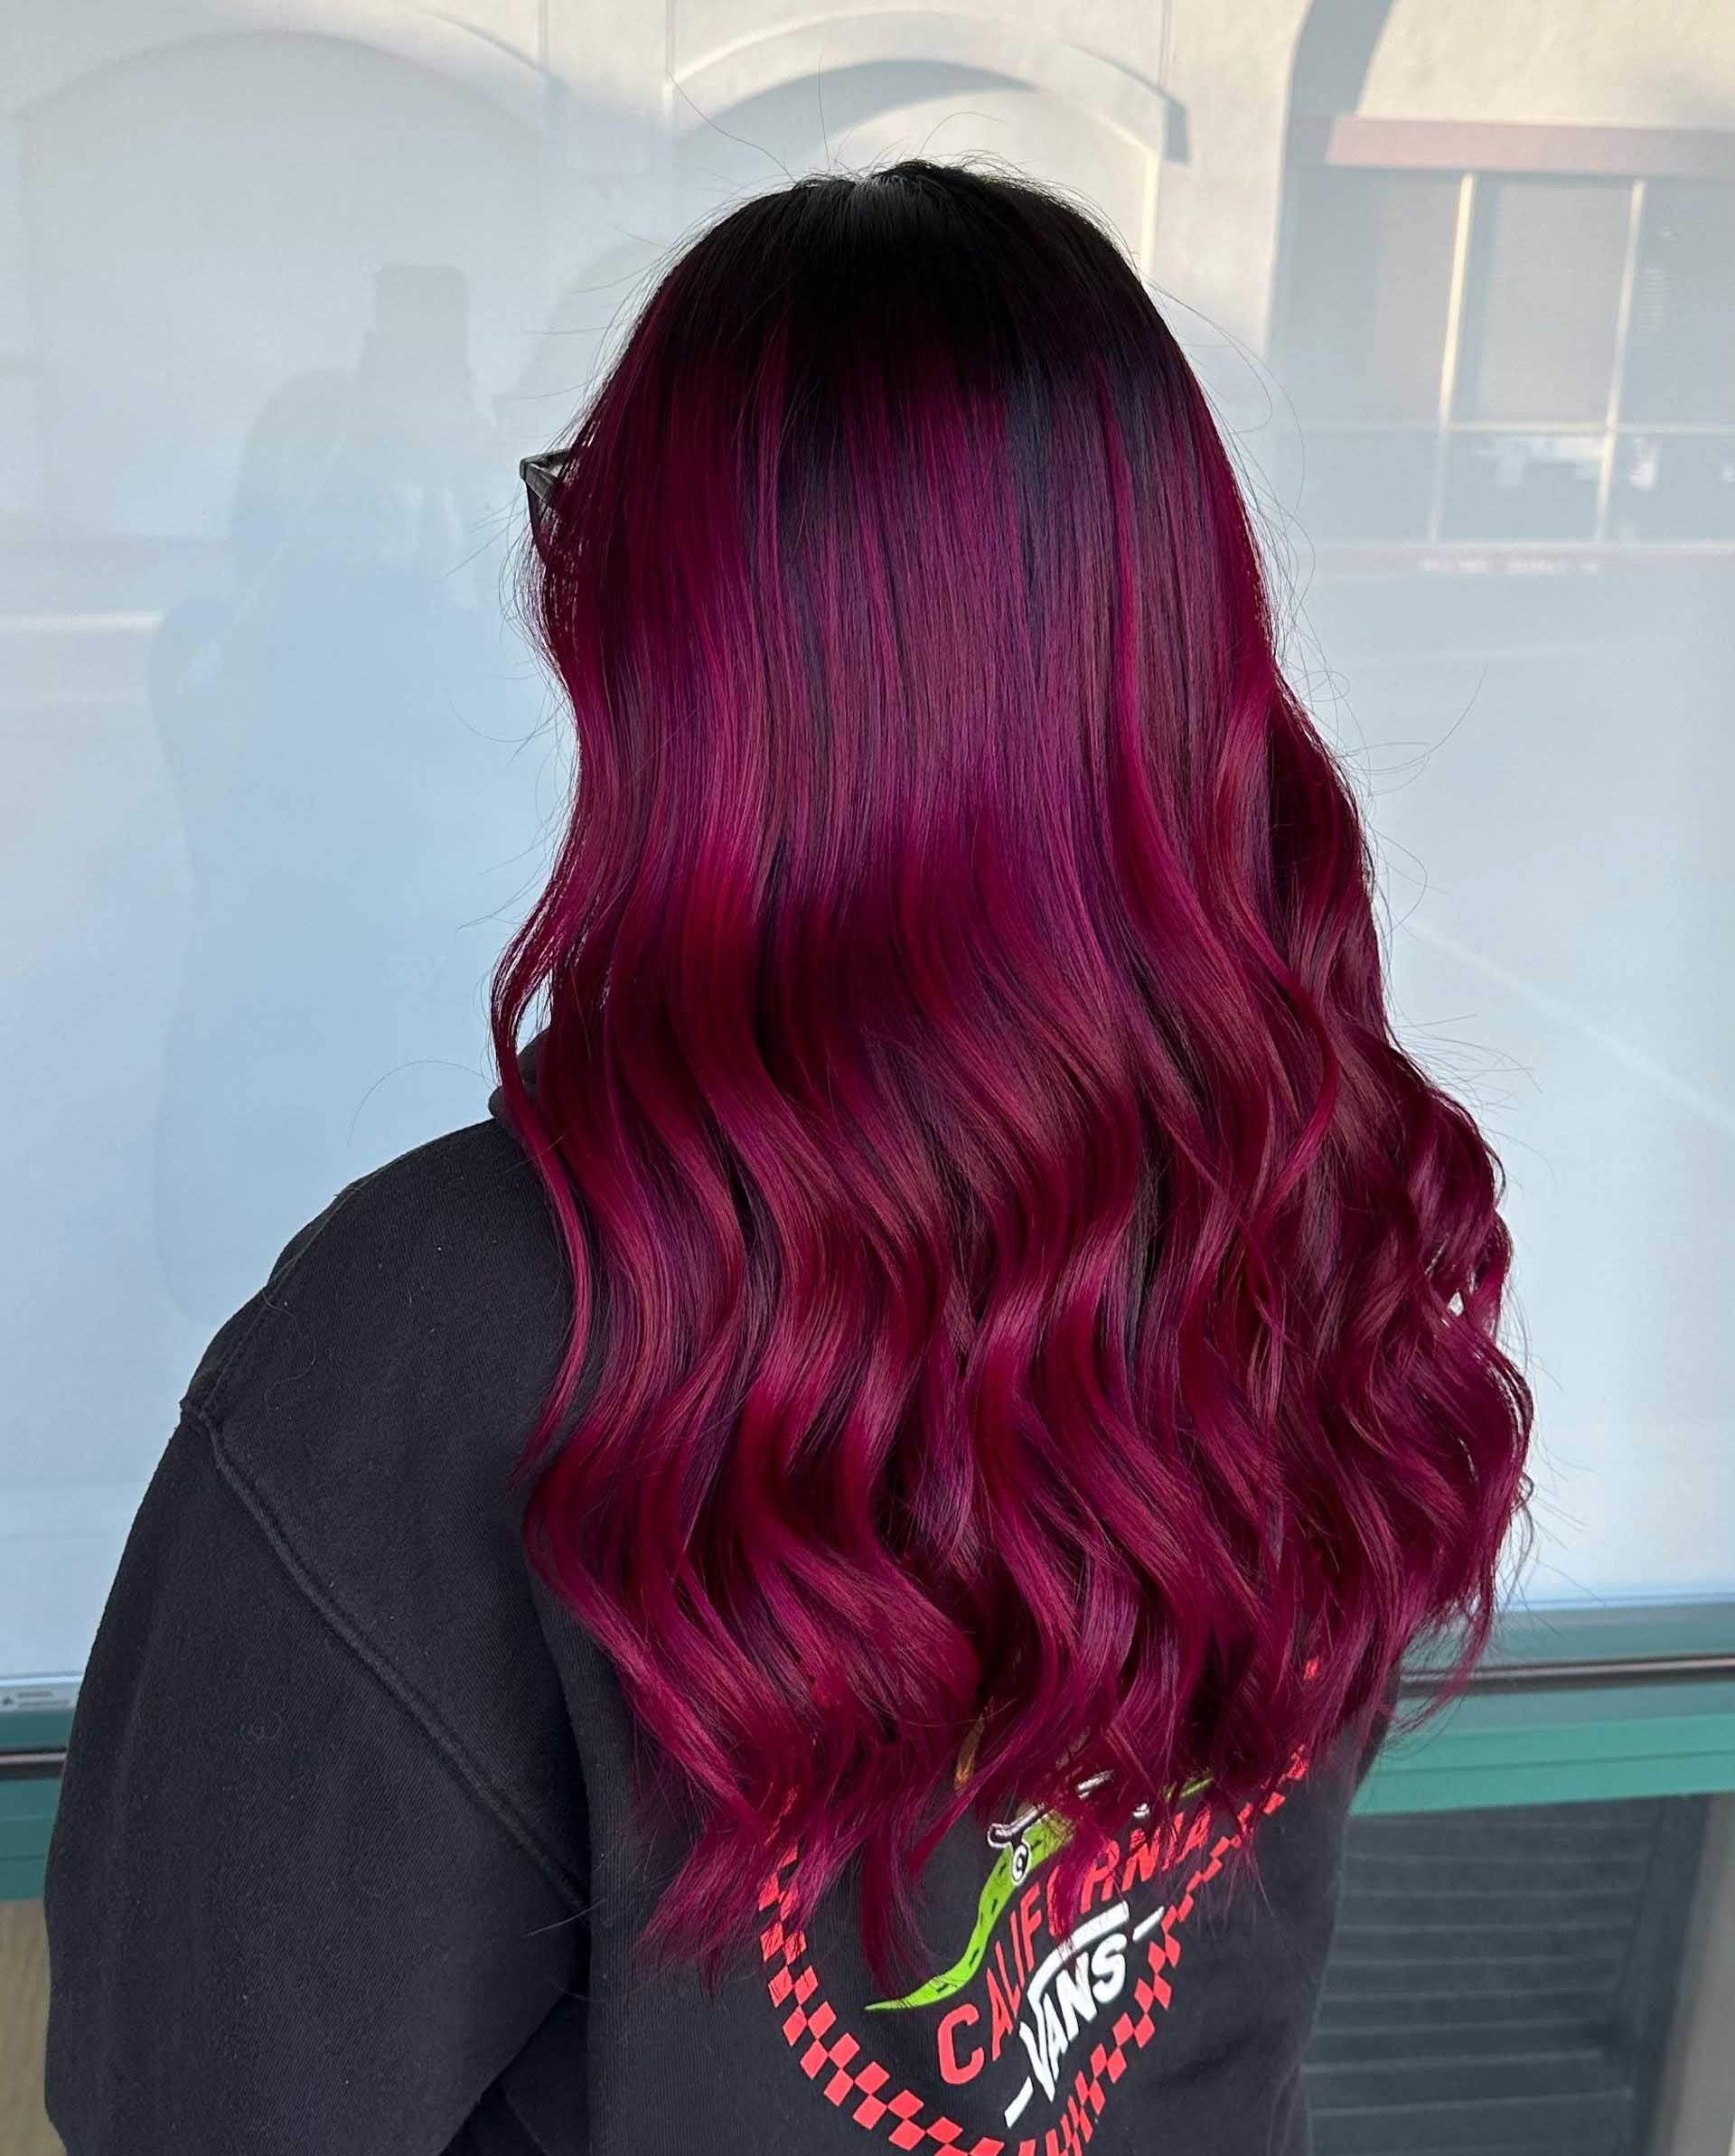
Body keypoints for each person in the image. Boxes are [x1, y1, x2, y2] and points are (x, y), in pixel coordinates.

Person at [42, 161, 1533, 2156]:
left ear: (677, 669)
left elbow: (185, 2095)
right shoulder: (1299, 1244)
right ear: (1177, 657)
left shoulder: (448, 1341)